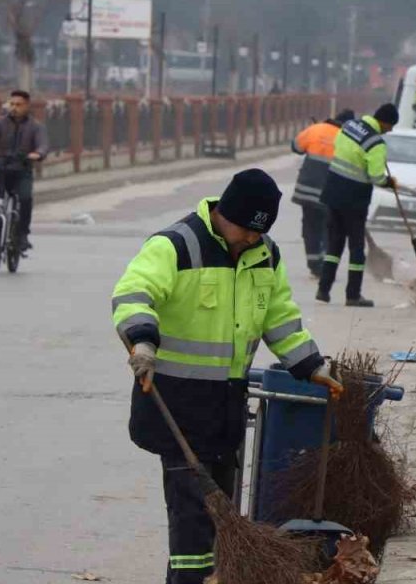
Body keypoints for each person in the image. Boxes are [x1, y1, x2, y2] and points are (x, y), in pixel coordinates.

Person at [111, 169, 342, 584]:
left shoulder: (265, 254)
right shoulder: (176, 245)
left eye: (259, 233)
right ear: (224, 213)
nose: (251, 240)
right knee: (192, 516)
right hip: (175, 404)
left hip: (226, 409)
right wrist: (142, 343)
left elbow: (280, 318)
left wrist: (312, 366)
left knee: (217, 514)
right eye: (245, 230)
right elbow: (134, 293)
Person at [317, 104, 400, 307]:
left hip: (333, 192)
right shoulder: (375, 143)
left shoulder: (349, 126)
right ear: (384, 122)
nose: (389, 131)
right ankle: (353, 295)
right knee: (356, 249)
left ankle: (323, 290)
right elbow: (376, 176)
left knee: (334, 245)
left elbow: (339, 148)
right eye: (390, 127)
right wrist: (390, 182)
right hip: (354, 199)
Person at [0, 90, 47, 250]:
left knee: (25, 199)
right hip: (0, 168)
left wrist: (37, 153)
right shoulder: (0, 123)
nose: (14, 108)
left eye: (18, 105)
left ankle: (22, 234)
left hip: (22, 170)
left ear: (26, 106)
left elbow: (43, 144)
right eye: (11, 104)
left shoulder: (35, 127)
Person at [291, 109, 355, 278]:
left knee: (311, 227)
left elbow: (296, 147)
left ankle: (313, 264)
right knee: (329, 228)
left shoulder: (316, 129)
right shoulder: (348, 139)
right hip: (331, 195)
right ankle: (325, 264)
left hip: (307, 191)